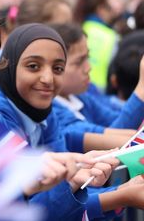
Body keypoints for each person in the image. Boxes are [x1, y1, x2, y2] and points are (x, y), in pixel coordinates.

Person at [0, 23, 144, 220]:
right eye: (33, 66)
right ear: (9, 64)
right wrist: (120, 195)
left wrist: (120, 190)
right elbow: (25, 208)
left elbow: (61, 189)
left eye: (58, 68)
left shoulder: (46, 108)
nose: (48, 78)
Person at [50, 23, 144, 152]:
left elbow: (115, 122)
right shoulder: (53, 111)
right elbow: (114, 137)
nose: (88, 67)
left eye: (87, 57)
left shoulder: (81, 97)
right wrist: (142, 88)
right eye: (79, 62)